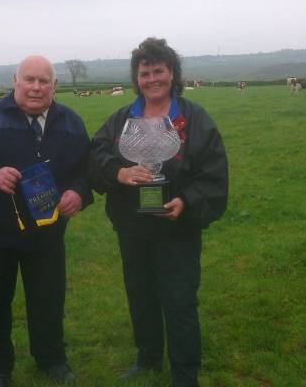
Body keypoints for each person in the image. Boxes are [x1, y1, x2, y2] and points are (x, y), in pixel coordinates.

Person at [89, 38, 228, 387]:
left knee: (179, 301)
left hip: (177, 230)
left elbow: (213, 172)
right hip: (133, 228)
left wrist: (186, 201)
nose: (152, 78)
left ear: (172, 74)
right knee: (140, 295)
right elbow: (95, 154)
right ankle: (148, 358)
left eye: (159, 71)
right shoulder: (122, 119)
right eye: (145, 72)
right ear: (137, 78)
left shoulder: (194, 119)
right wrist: (118, 172)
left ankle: (184, 373)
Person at [0, 55, 93, 387]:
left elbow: (87, 170)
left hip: (47, 235)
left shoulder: (70, 122)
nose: (36, 87)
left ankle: (51, 358)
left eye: (44, 81)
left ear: (54, 86)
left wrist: (79, 193)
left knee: (48, 299)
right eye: (29, 79)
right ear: (15, 81)